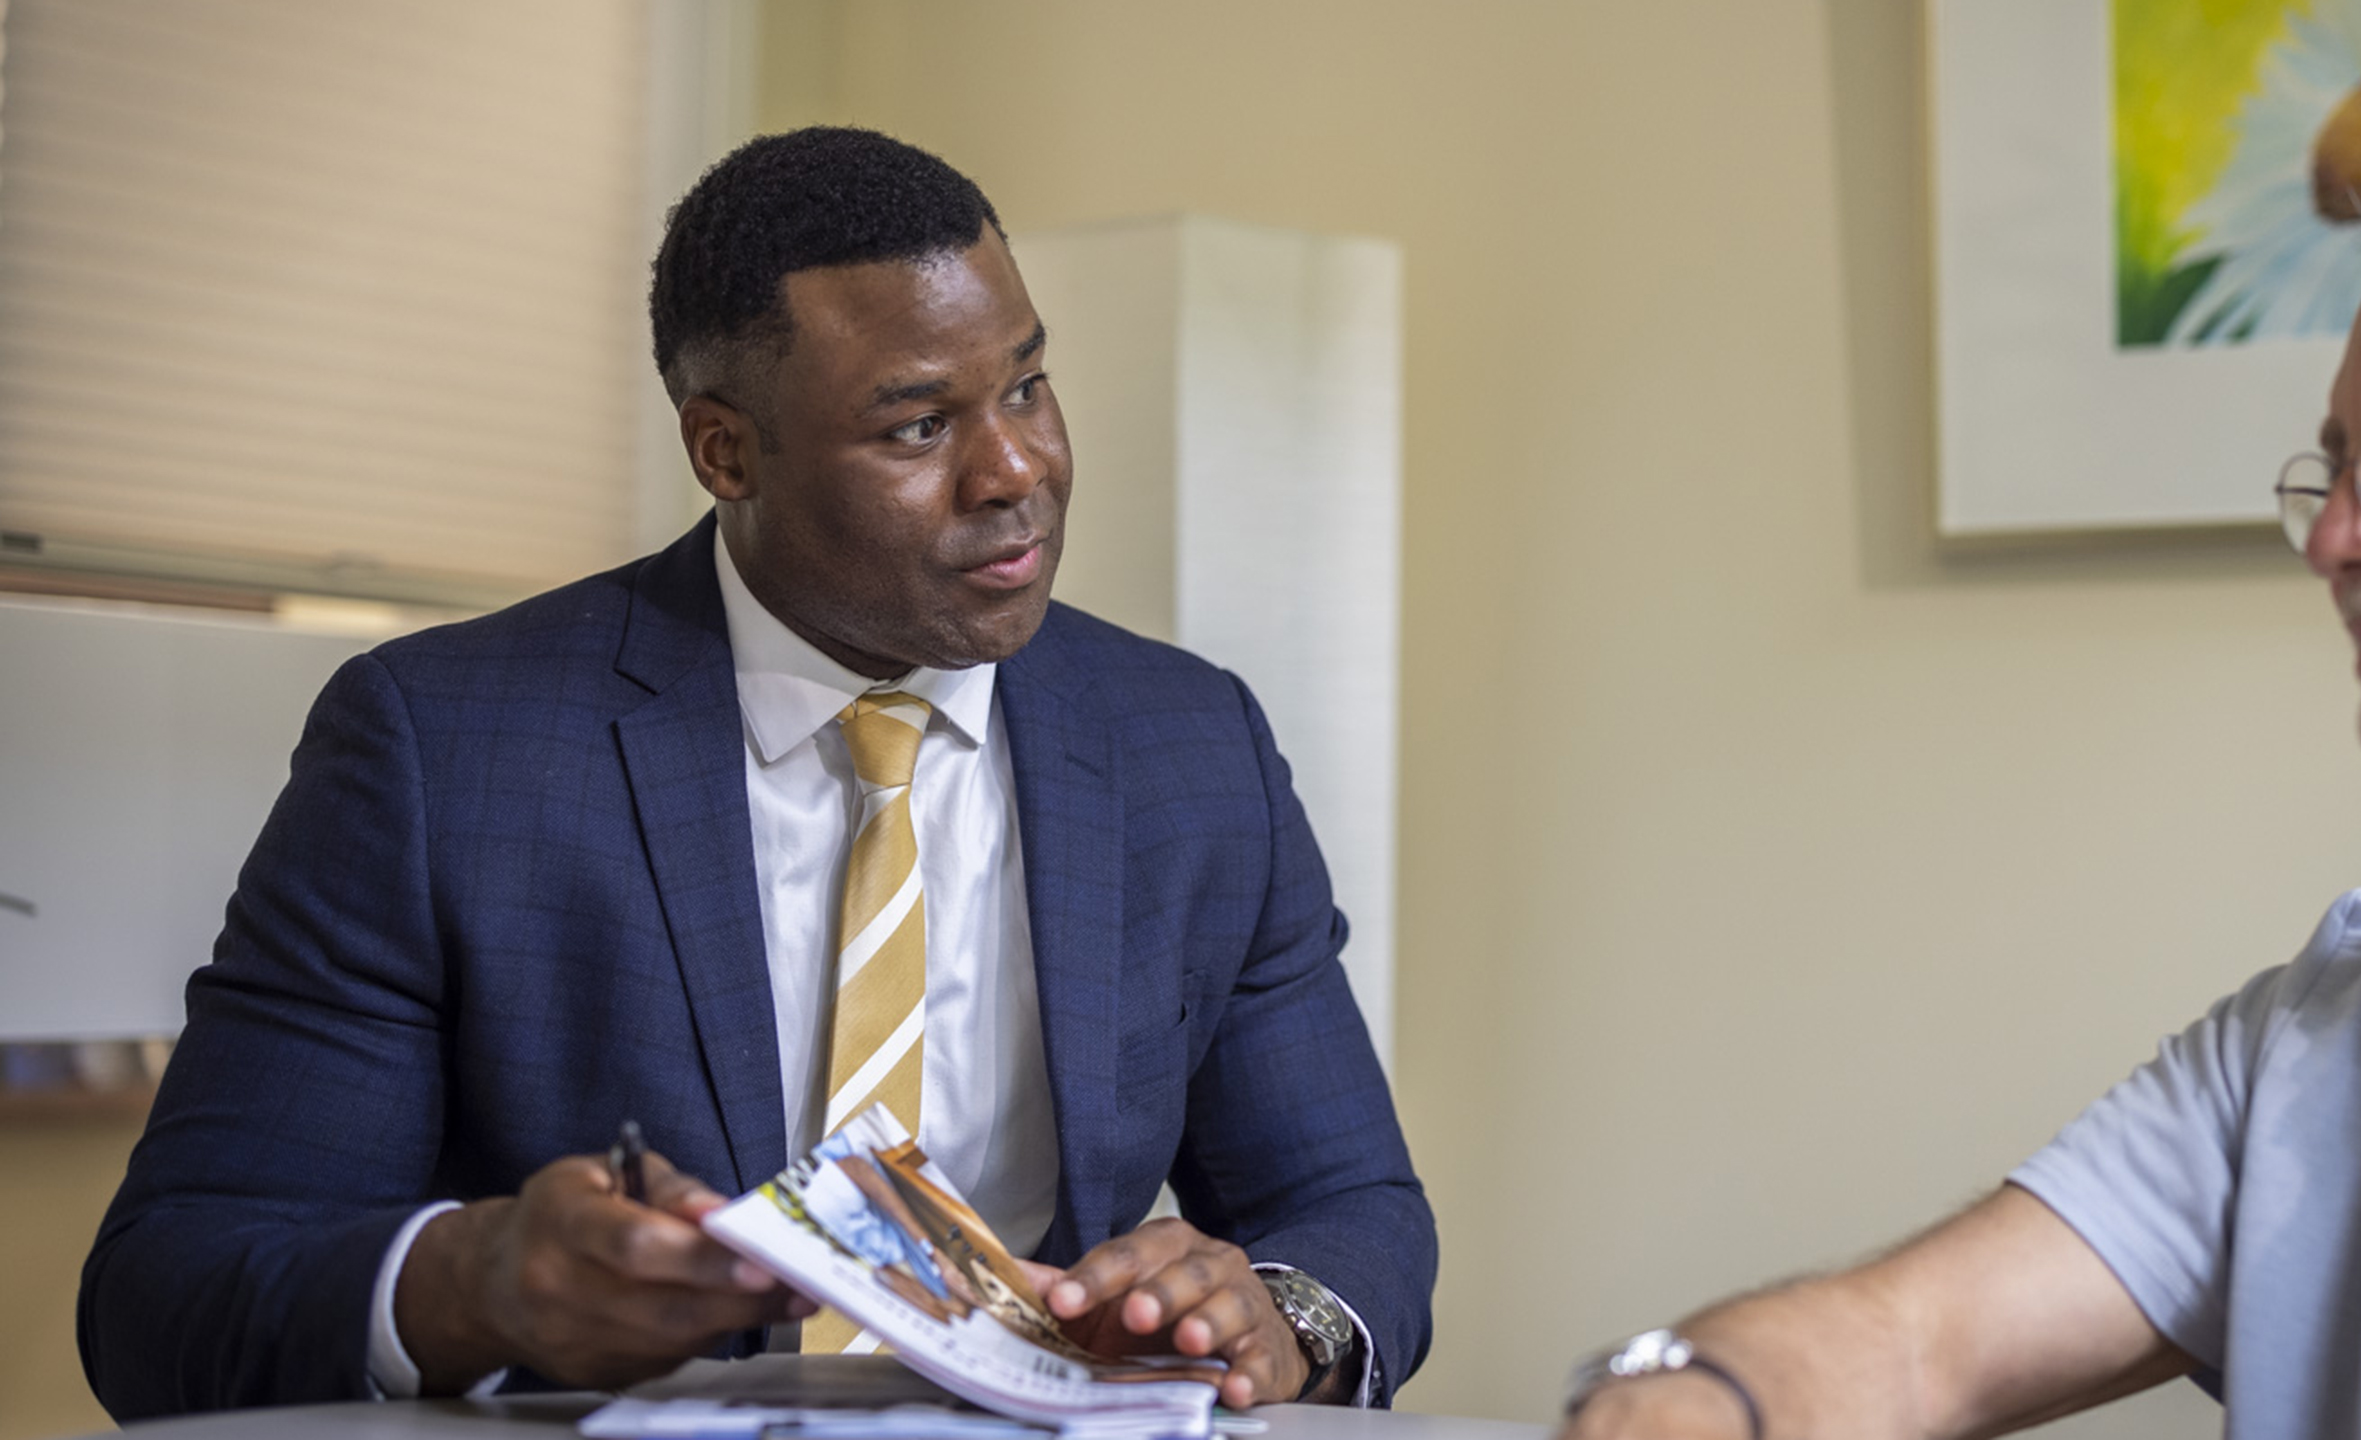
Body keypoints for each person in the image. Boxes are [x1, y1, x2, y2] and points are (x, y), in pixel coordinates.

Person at [80, 127, 1433, 1418]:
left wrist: (1278, 1316)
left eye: (1025, 383)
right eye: (917, 428)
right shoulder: (445, 747)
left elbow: (1354, 1209)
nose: (1017, 467)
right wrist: (475, 1284)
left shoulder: (1188, 744)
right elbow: (169, 1294)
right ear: (726, 450)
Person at [1562, 152, 2361, 1439]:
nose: (2335, 539)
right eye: (2340, 466)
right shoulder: (2345, 1017)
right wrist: (1699, 1397)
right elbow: (1914, 1342)